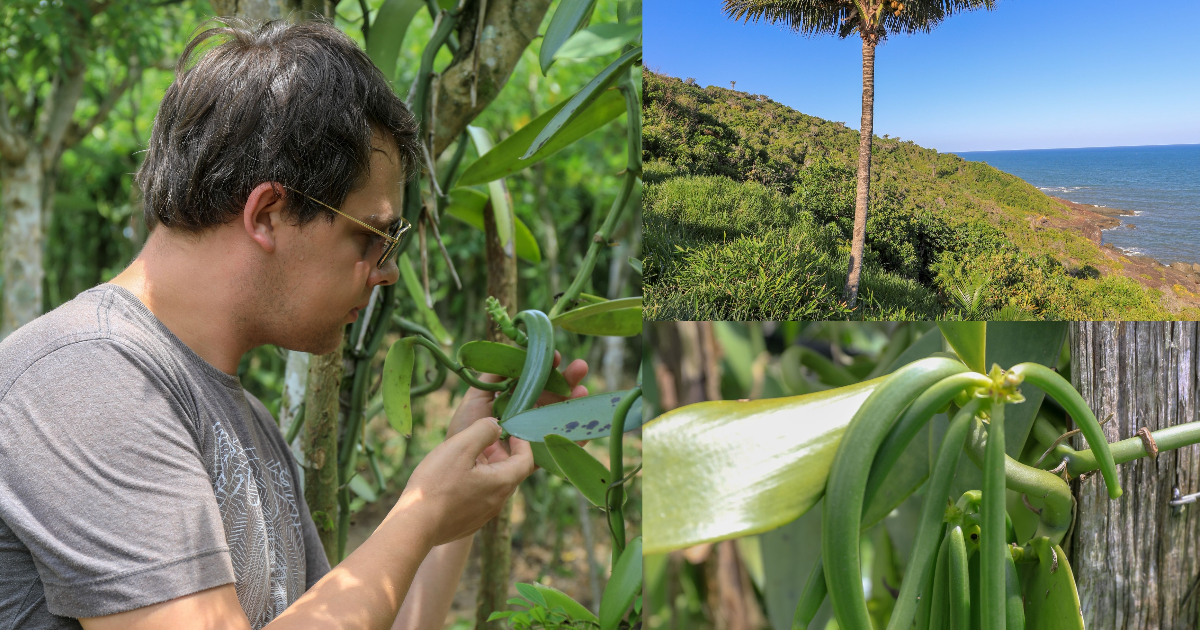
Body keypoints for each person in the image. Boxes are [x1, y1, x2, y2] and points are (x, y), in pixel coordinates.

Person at [0, 17, 588, 630]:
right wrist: (420, 513)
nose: (387, 272)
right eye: (373, 237)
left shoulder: (250, 424)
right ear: (268, 214)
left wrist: (453, 496)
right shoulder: (83, 380)